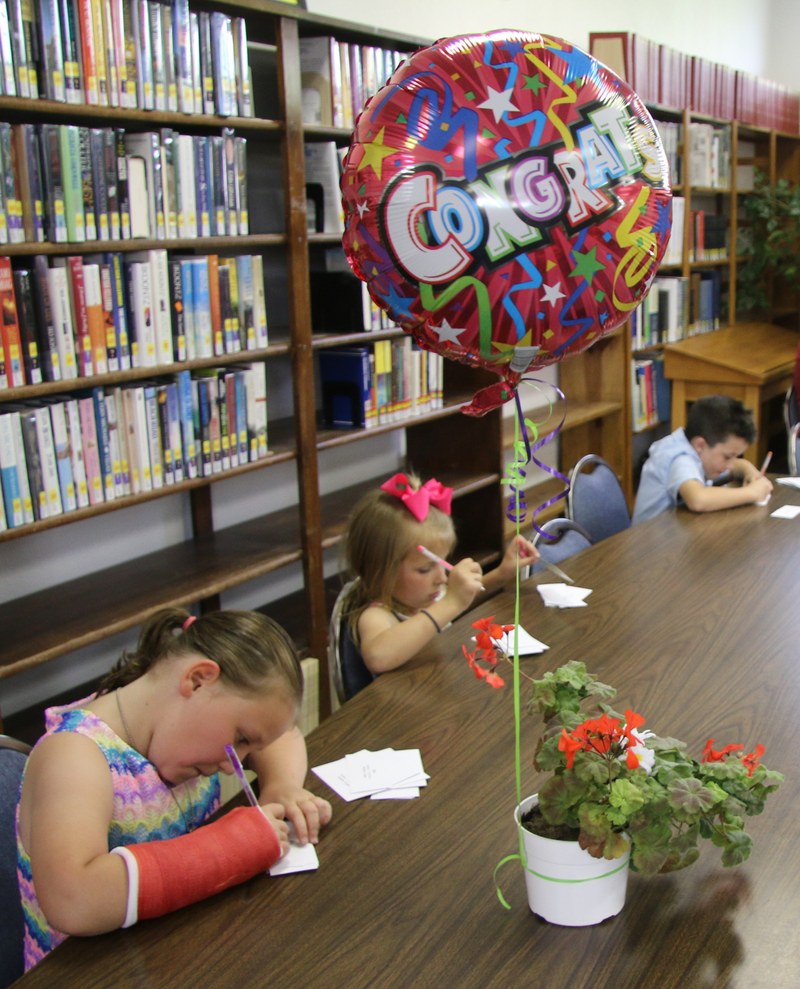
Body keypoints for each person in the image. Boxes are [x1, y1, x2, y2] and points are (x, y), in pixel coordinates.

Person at [15, 608, 332, 972]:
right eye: (240, 739)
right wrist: (229, 847)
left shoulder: (181, 725)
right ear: (198, 680)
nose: (235, 763)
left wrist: (282, 786)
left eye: (248, 746)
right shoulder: (73, 757)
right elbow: (73, 899)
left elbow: (280, 734)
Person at [336, 472, 539, 687]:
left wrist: (501, 574)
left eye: (443, 563)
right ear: (380, 570)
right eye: (425, 569)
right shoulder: (377, 615)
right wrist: (451, 602)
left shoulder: (421, 595)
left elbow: (461, 596)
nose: (441, 578)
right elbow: (378, 657)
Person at [632, 395, 773, 523]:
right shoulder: (681, 458)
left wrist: (749, 471)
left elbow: (737, 466)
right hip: (651, 546)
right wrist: (752, 493)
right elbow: (698, 500)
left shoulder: (698, 449)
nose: (730, 464)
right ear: (700, 445)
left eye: (735, 456)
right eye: (728, 457)